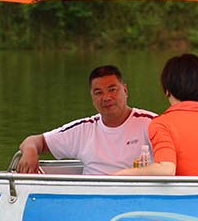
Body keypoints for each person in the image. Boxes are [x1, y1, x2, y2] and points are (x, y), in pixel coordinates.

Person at [16, 64, 156, 175]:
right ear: (92, 97)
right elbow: (34, 141)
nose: (106, 97)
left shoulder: (151, 123)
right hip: (90, 200)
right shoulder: (84, 129)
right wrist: (30, 151)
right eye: (98, 93)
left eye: (112, 89)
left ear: (125, 91)